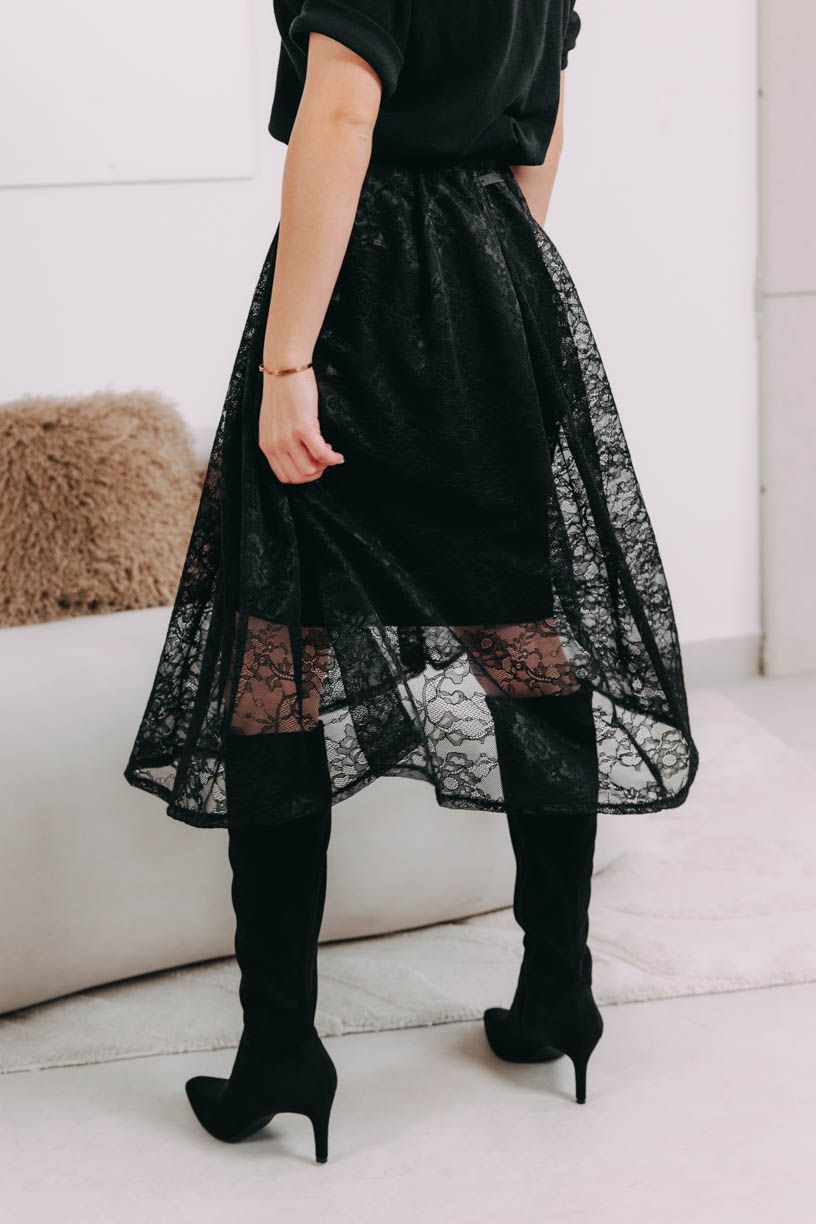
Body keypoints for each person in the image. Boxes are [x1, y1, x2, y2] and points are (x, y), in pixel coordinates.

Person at [125, 1, 698, 1162]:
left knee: (280, 655)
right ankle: (558, 991)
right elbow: (542, 126)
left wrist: (291, 360)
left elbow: (342, 116)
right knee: (523, 636)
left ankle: (279, 1044)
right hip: (500, 280)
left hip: (364, 300)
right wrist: (492, 273)